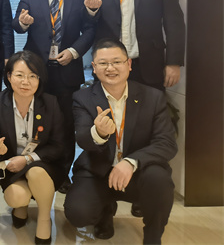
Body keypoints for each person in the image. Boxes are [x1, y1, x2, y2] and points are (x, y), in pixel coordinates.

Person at [64, 38, 177, 244]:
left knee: (159, 180)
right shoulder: (83, 98)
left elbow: (166, 143)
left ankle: (153, 236)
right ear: (94, 67)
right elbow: (82, 139)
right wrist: (99, 133)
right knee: (78, 213)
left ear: (129, 64)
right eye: (103, 63)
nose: (110, 68)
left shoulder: (152, 97)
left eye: (117, 62)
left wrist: (131, 162)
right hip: (98, 170)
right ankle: (106, 211)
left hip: (138, 171)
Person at [13, 0, 95, 192]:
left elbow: (90, 30)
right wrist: (23, 23)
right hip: (36, 72)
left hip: (67, 69)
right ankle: (35, 168)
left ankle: (62, 174)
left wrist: (74, 51)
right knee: (36, 122)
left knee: (65, 124)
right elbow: (16, 25)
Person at [0, 51, 66, 244]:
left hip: (43, 163)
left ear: (39, 79)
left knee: (35, 172)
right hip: (12, 165)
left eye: (32, 76)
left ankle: (44, 219)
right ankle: (22, 205)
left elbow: (58, 146)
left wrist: (28, 159)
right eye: (19, 75)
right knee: (16, 198)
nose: (25, 82)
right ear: (9, 76)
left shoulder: (50, 103)